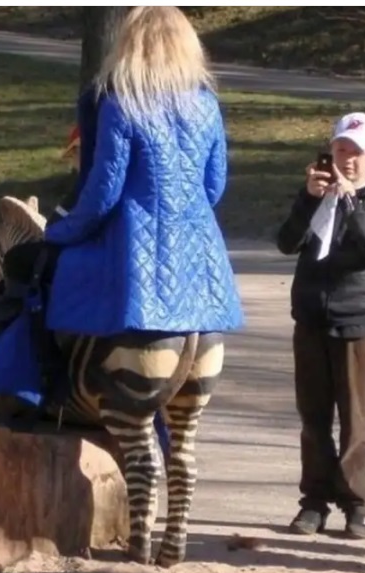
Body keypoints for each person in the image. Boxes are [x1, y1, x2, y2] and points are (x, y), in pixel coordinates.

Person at [43, 6, 244, 338]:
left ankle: (36, 370)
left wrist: (61, 232)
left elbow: (104, 193)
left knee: (44, 282)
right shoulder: (206, 104)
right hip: (200, 262)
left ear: (130, 45)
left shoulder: (120, 105)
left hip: (135, 263)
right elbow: (214, 186)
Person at [276, 112, 365, 538]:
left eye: (356, 152)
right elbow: (286, 242)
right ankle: (313, 502)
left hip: (356, 320)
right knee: (312, 418)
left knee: (355, 418)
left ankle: (357, 503)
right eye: (340, 150)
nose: (347, 160)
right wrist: (309, 198)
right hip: (310, 317)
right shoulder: (317, 195)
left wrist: (352, 203)